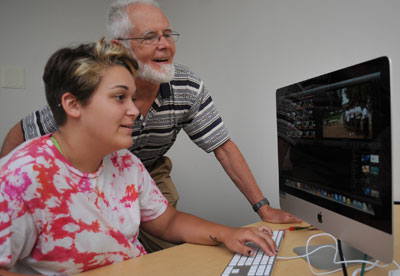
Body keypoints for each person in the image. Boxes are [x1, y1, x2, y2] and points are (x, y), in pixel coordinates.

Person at [0, 0, 300, 252]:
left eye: (168, 34)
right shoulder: (82, 97)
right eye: (150, 36)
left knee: (159, 245)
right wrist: (6, 187)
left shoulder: (136, 156)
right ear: (120, 47)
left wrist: (259, 210)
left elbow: (221, 151)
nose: (164, 44)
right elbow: (22, 134)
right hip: (74, 170)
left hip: (144, 169)